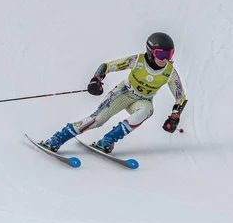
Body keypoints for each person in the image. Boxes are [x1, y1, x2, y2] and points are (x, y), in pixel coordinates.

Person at [40, 32, 188, 154]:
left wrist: (175, 116)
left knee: (148, 110)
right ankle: (57, 138)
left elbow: (180, 97)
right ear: (151, 52)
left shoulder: (169, 72)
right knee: (98, 120)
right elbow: (108, 66)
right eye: (161, 55)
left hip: (142, 101)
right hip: (123, 94)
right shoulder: (137, 60)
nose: (165, 60)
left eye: (169, 55)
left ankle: (108, 140)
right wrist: (96, 79)